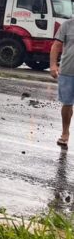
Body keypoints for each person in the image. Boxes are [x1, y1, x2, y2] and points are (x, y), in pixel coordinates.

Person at [51, 17, 74, 149]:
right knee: (67, 103)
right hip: (68, 70)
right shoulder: (67, 25)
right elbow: (56, 46)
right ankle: (65, 133)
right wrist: (53, 65)